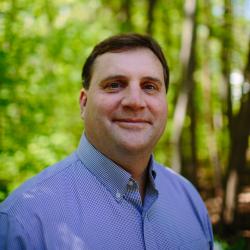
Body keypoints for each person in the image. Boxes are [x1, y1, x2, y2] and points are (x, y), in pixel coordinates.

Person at [0, 33, 214, 250]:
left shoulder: (189, 199)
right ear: (84, 103)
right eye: (114, 85)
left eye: (149, 86)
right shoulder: (22, 221)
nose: (135, 101)